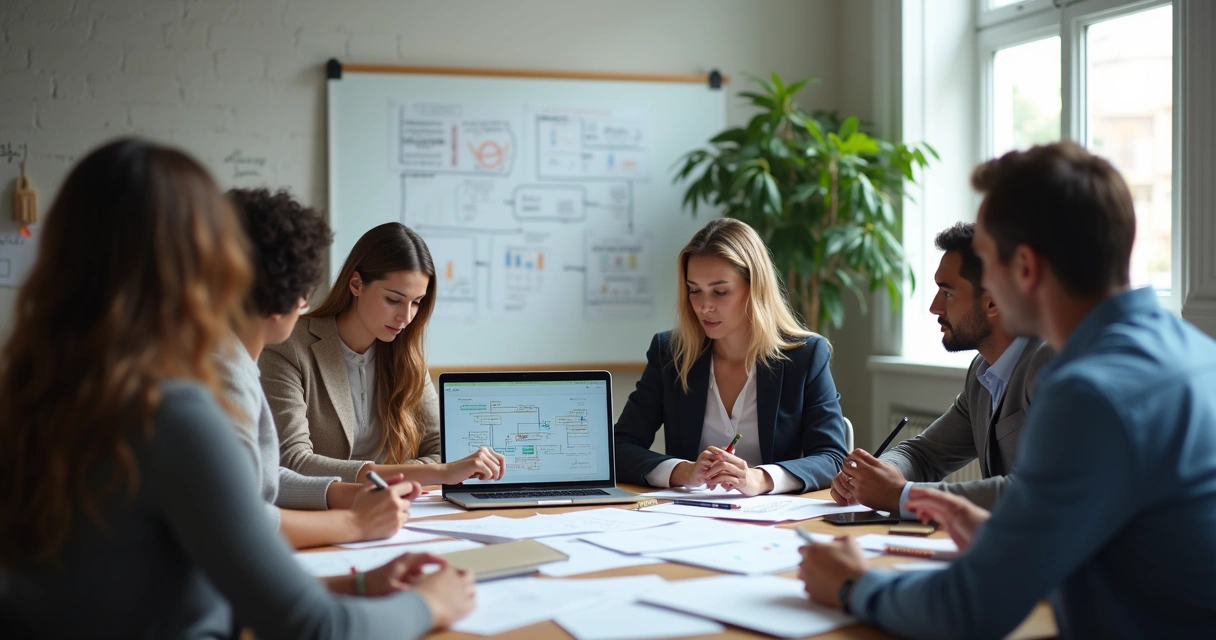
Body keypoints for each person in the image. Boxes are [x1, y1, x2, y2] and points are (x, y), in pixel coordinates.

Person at [0, 138, 474, 638]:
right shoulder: (173, 410)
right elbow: (316, 628)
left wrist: (354, 584)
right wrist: (430, 603)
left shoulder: (41, 384)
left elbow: (171, 580)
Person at [801, 141, 1216, 638]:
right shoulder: (1195, 353)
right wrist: (1010, 533)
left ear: (1024, 268)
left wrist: (853, 584)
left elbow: (971, 609)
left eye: (987, 258)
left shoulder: (1089, 393)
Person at [219, 188, 420, 550]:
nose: (306, 304)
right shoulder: (222, 373)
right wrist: (356, 524)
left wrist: (349, 495)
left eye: (416, 303)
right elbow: (238, 521)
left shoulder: (234, 362)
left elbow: (267, 477)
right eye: (303, 292)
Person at [829, 222, 1053, 514]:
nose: (934, 307)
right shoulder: (983, 373)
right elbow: (924, 454)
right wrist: (878, 474)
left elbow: (1038, 490)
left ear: (993, 303)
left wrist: (902, 495)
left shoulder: (1049, 363)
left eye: (947, 293)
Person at [614, 218, 848, 495]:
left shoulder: (805, 356)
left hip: (774, 517)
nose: (704, 306)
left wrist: (759, 479)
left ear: (755, 288)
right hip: (687, 515)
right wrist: (683, 471)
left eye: (720, 292)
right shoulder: (670, 354)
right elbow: (619, 447)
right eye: (694, 290)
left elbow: (832, 458)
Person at [261, 222, 505, 486]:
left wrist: (403, 475)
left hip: (400, 505)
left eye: (416, 302)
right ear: (356, 284)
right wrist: (432, 473)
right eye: (393, 300)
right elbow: (293, 462)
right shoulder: (288, 346)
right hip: (324, 507)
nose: (406, 317)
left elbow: (442, 449)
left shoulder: (405, 355)